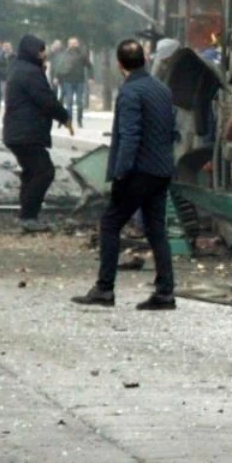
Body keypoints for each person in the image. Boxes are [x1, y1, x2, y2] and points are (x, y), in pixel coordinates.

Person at [72, 40, 178, 310]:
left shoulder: (130, 93)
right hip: (161, 170)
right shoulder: (161, 89)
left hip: (138, 172)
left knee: (110, 224)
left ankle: (104, 289)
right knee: (157, 231)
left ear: (120, 65)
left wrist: (120, 174)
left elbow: (130, 136)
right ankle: (165, 292)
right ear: (144, 59)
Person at [2, 35, 73, 232]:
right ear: (32, 51)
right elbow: (45, 99)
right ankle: (28, 217)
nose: (44, 54)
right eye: (41, 51)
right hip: (26, 132)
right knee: (44, 171)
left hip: (18, 131)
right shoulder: (30, 72)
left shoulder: (20, 67)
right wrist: (64, 117)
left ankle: (26, 215)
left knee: (31, 172)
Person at [59, 37, 93, 128]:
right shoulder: (64, 55)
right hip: (67, 81)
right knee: (69, 101)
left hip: (79, 81)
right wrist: (57, 78)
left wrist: (90, 77)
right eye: (71, 43)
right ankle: (69, 120)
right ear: (68, 44)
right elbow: (59, 67)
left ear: (78, 44)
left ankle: (79, 120)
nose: (73, 45)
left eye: (75, 43)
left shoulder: (82, 55)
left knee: (79, 102)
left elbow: (89, 66)